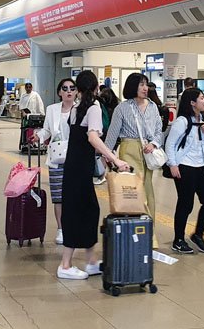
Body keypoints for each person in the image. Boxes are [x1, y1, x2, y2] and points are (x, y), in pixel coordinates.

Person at [57, 71, 128, 280]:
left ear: (78, 89)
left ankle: (91, 261)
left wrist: (105, 157)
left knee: (88, 211)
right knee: (79, 212)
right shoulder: (94, 107)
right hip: (80, 169)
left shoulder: (77, 107)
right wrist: (114, 159)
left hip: (75, 167)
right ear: (97, 87)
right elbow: (92, 138)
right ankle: (65, 265)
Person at [105, 73, 164, 228]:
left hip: (147, 151)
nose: (145, 88)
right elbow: (112, 133)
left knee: (147, 188)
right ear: (133, 87)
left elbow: (159, 132)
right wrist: (107, 155)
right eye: (141, 85)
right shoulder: (122, 108)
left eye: (146, 85)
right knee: (132, 189)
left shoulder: (153, 107)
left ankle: (149, 231)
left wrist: (154, 144)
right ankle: (132, 227)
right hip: (128, 150)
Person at [163, 87, 204, 254]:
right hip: (185, 166)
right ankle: (178, 239)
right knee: (186, 204)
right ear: (192, 103)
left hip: (202, 165)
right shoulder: (182, 121)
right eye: (201, 98)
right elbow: (170, 144)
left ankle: (198, 234)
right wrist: (172, 164)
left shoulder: (203, 118)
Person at [32, 78, 77, 245]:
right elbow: (47, 130)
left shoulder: (81, 109)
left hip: (76, 157)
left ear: (76, 91)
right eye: (65, 88)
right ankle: (61, 229)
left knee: (74, 195)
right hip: (57, 157)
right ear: (60, 92)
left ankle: (72, 226)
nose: (68, 91)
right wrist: (38, 136)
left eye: (72, 88)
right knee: (58, 196)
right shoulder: (52, 109)